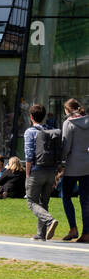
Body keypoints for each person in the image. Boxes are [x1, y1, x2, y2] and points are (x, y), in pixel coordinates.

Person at [24, 103, 60, 241]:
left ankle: (50, 221)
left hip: (36, 171)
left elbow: (29, 155)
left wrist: (27, 175)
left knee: (31, 201)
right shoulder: (50, 130)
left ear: (31, 117)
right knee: (43, 202)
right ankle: (41, 234)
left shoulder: (30, 132)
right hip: (50, 171)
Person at [60, 98, 89, 241]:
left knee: (65, 196)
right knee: (85, 200)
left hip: (72, 166)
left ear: (68, 110)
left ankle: (73, 228)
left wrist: (60, 161)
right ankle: (87, 232)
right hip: (87, 165)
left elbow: (66, 146)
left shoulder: (68, 123)